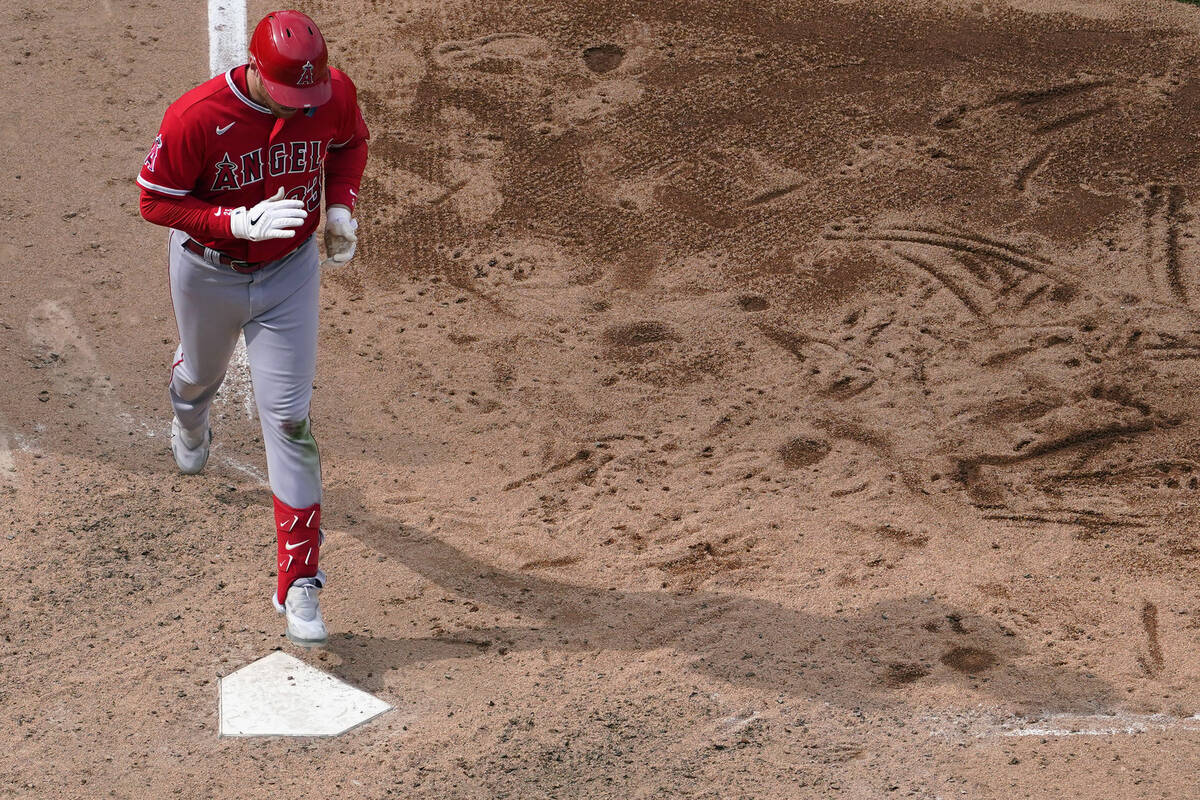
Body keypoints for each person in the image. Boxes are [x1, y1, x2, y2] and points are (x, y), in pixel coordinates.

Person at [136, 9, 369, 647]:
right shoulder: (197, 116)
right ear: (258, 72)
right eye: (289, 98)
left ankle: (300, 581)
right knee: (201, 377)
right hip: (207, 273)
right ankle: (187, 409)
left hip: (290, 274)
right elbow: (154, 199)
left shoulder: (332, 93)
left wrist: (341, 205)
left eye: (310, 99)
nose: (302, 111)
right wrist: (234, 224)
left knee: (290, 418)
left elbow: (349, 145)